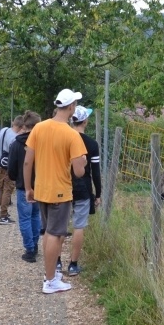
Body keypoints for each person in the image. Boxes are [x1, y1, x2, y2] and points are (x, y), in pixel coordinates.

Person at [24, 89, 87, 294]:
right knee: (54, 233)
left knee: (50, 232)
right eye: (74, 104)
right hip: (60, 190)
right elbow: (79, 172)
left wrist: (28, 187)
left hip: (41, 189)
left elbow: (27, 162)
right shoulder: (72, 135)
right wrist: (83, 162)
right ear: (70, 108)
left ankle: (50, 273)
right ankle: (50, 280)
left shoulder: (39, 128)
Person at [67, 105, 101, 275]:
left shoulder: (63, 138)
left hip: (63, 185)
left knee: (59, 226)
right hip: (83, 187)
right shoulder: (92, 144)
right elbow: (96, 172)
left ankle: (56, 262)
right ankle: (73, 264)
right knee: (78, 226)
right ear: (85, 121)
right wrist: (98, 194)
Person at [7, 110, 42, 262]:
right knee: (36, 215)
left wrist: (16, 178)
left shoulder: (16, 144)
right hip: (40, 185)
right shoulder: (42, 143)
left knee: (25, 218)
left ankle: (30, 249)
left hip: (23, 186)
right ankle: (35, 244)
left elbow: (11, 168)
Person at [0, 115, 23, 225]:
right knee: (8, 189)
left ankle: (2, 211)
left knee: (2, 188)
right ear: (21, 127)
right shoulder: (14, 138)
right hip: (8, 166)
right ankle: (3, 215)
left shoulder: (4, 130)